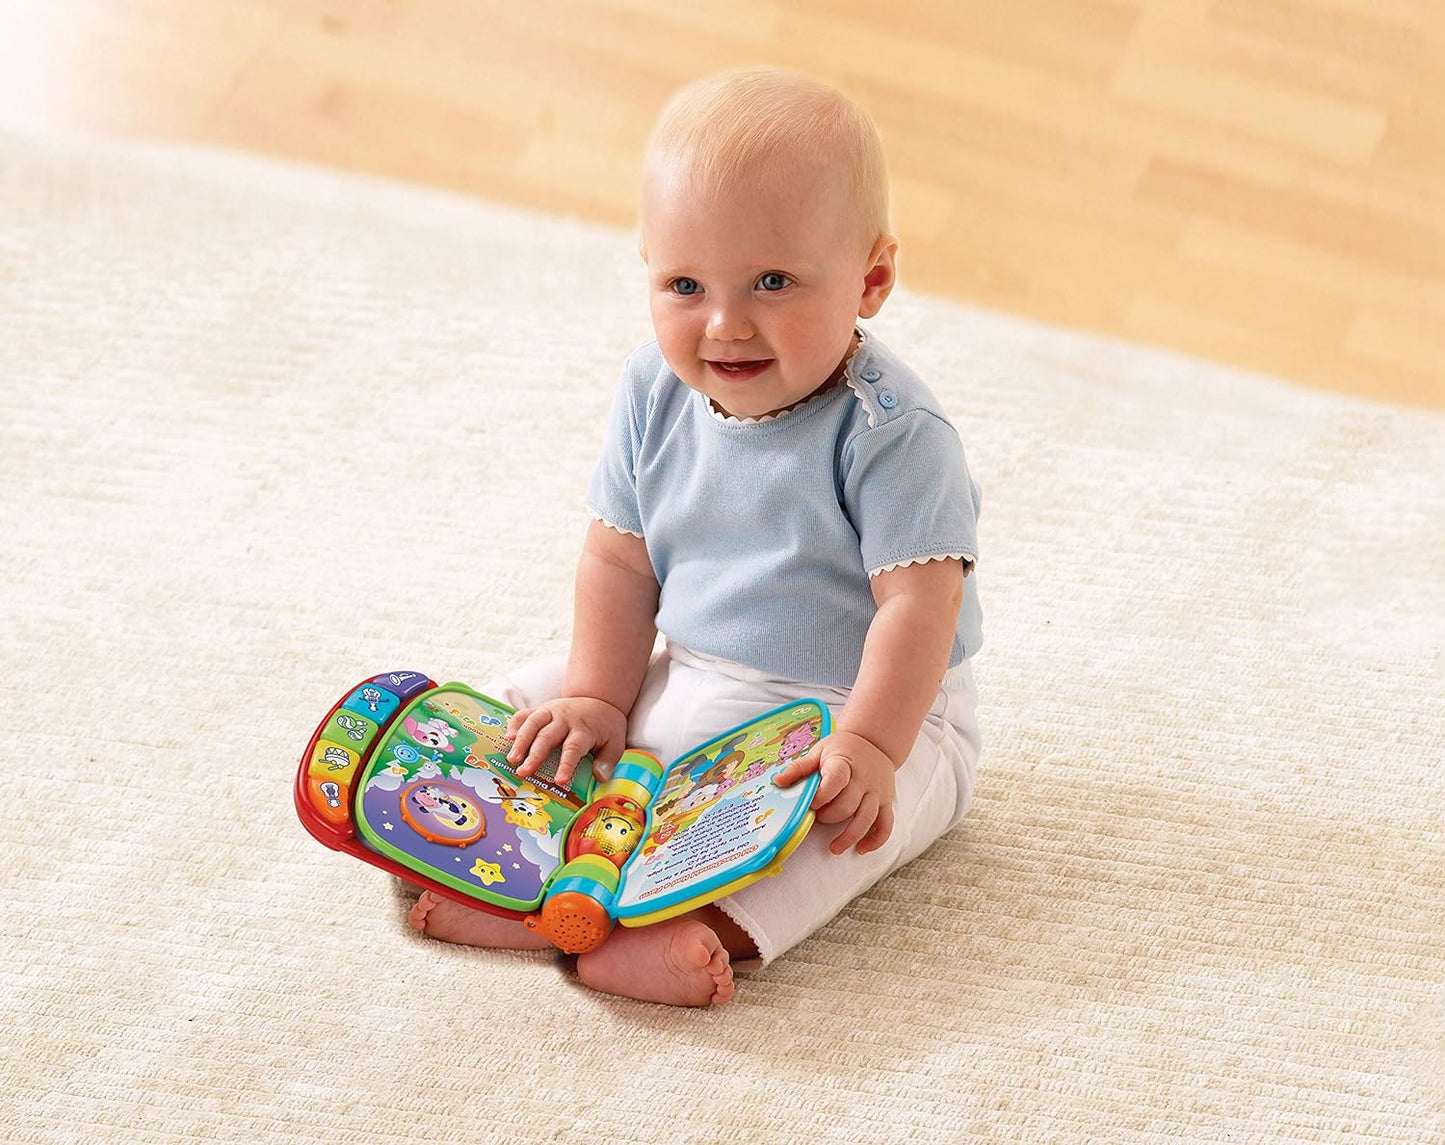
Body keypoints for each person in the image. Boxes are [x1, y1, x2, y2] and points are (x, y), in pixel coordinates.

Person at [408, 67, 984, 1006]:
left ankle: (666, 924)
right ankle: (529, 880)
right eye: (684, 283)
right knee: (534, 711)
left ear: (871, 278)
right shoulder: (652, 389)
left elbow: (919, 606)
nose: (725, 323)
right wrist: (598, 692)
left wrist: (871, 748)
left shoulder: (892, 434)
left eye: (773, 281)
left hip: (863, 701)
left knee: (810, 836)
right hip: (692, 660)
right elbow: (618, 556)